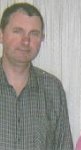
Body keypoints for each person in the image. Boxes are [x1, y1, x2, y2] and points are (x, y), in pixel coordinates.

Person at [0, 2, 73, 150]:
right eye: (17, 31)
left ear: (42, 39)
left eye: (34, 33)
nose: (26, 41)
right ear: (1, 35)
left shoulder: (52, 89)